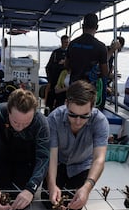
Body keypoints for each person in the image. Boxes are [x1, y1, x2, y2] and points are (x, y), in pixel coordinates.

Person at [42, 80, 109, 210]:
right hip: (58, 164)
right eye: (72, 114)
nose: (78, 122)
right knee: (49, 202)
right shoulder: (54, 118)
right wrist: (52, 185)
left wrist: (87, 187)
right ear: (66, 104)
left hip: (82, 166)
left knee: (74, 204)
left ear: (92, 107)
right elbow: (52, 156)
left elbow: (99, 159)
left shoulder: (100, 121)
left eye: (84, 116)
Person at [0, 89, 50, 210]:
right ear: (8, 112)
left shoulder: (41, 123)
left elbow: (43, 158)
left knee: (21, 201)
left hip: (26, 162)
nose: (20, 128)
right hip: (1, 158)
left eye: (26, 123)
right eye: (16, 122)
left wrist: (30, 189)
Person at [65, 13, 108, 110]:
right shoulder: (101, 47)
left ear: (82, 26)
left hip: (74, 88)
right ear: (97, 27)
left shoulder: (72, 44)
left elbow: (66, 65)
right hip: (90, 90)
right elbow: (105, 72)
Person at [45, 35, 70, 112]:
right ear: (62, 42)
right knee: (51, 97)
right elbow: (48, 66)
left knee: (60, 101)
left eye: (68, 42)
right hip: (54, 78)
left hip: (63, 80)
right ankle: (47, 109)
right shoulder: (55, 53)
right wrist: (49, 79)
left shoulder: (70, 53)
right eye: (65, 42)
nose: (67, 44)